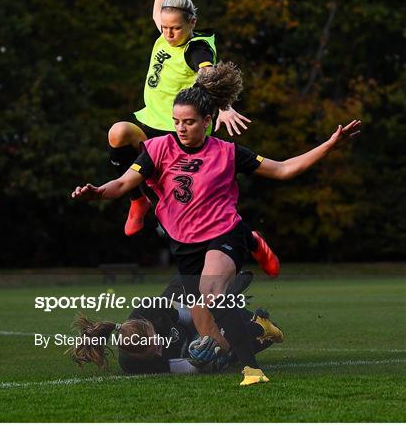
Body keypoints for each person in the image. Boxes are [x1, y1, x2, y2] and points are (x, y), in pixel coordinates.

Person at [72, 62, 361, 385]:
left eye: (189, 122)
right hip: (185, 246)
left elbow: (283, 170)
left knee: (211, 293)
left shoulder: (228, 152)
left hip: (223, 233)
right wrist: (99, 193)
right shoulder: (156, 150)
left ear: (208, 121)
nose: (181, 128)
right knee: (207, 313)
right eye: (176, 121)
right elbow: (124, 183)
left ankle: (252, 371)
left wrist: (328, 146)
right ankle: (254, 326)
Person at [108, 0, 250, 237]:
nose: (168, 33)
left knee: (192, 212)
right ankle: (138, 201)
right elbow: (160, 7)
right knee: (118, 133)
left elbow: (208, 73)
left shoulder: (195, 47)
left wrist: (224, 105)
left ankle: (250, 240)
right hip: (150, 125)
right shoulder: (165, 32)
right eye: (164, 27)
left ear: (192, 23)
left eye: (174, 28)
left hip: (179, 135)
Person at [68, 272, 284, 375]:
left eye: (157, 340)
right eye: (155, 350)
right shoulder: (133, 365)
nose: (161, 348)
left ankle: (221, 291)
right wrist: (199, 361)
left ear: (149, 325)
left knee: (192, 281)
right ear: (138, 356)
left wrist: (207, 333)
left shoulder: (150, 309)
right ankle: (240, 315)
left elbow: (195, 315)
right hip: (193, 344)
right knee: (242, 346)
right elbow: (187, 367)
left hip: (188, 305)